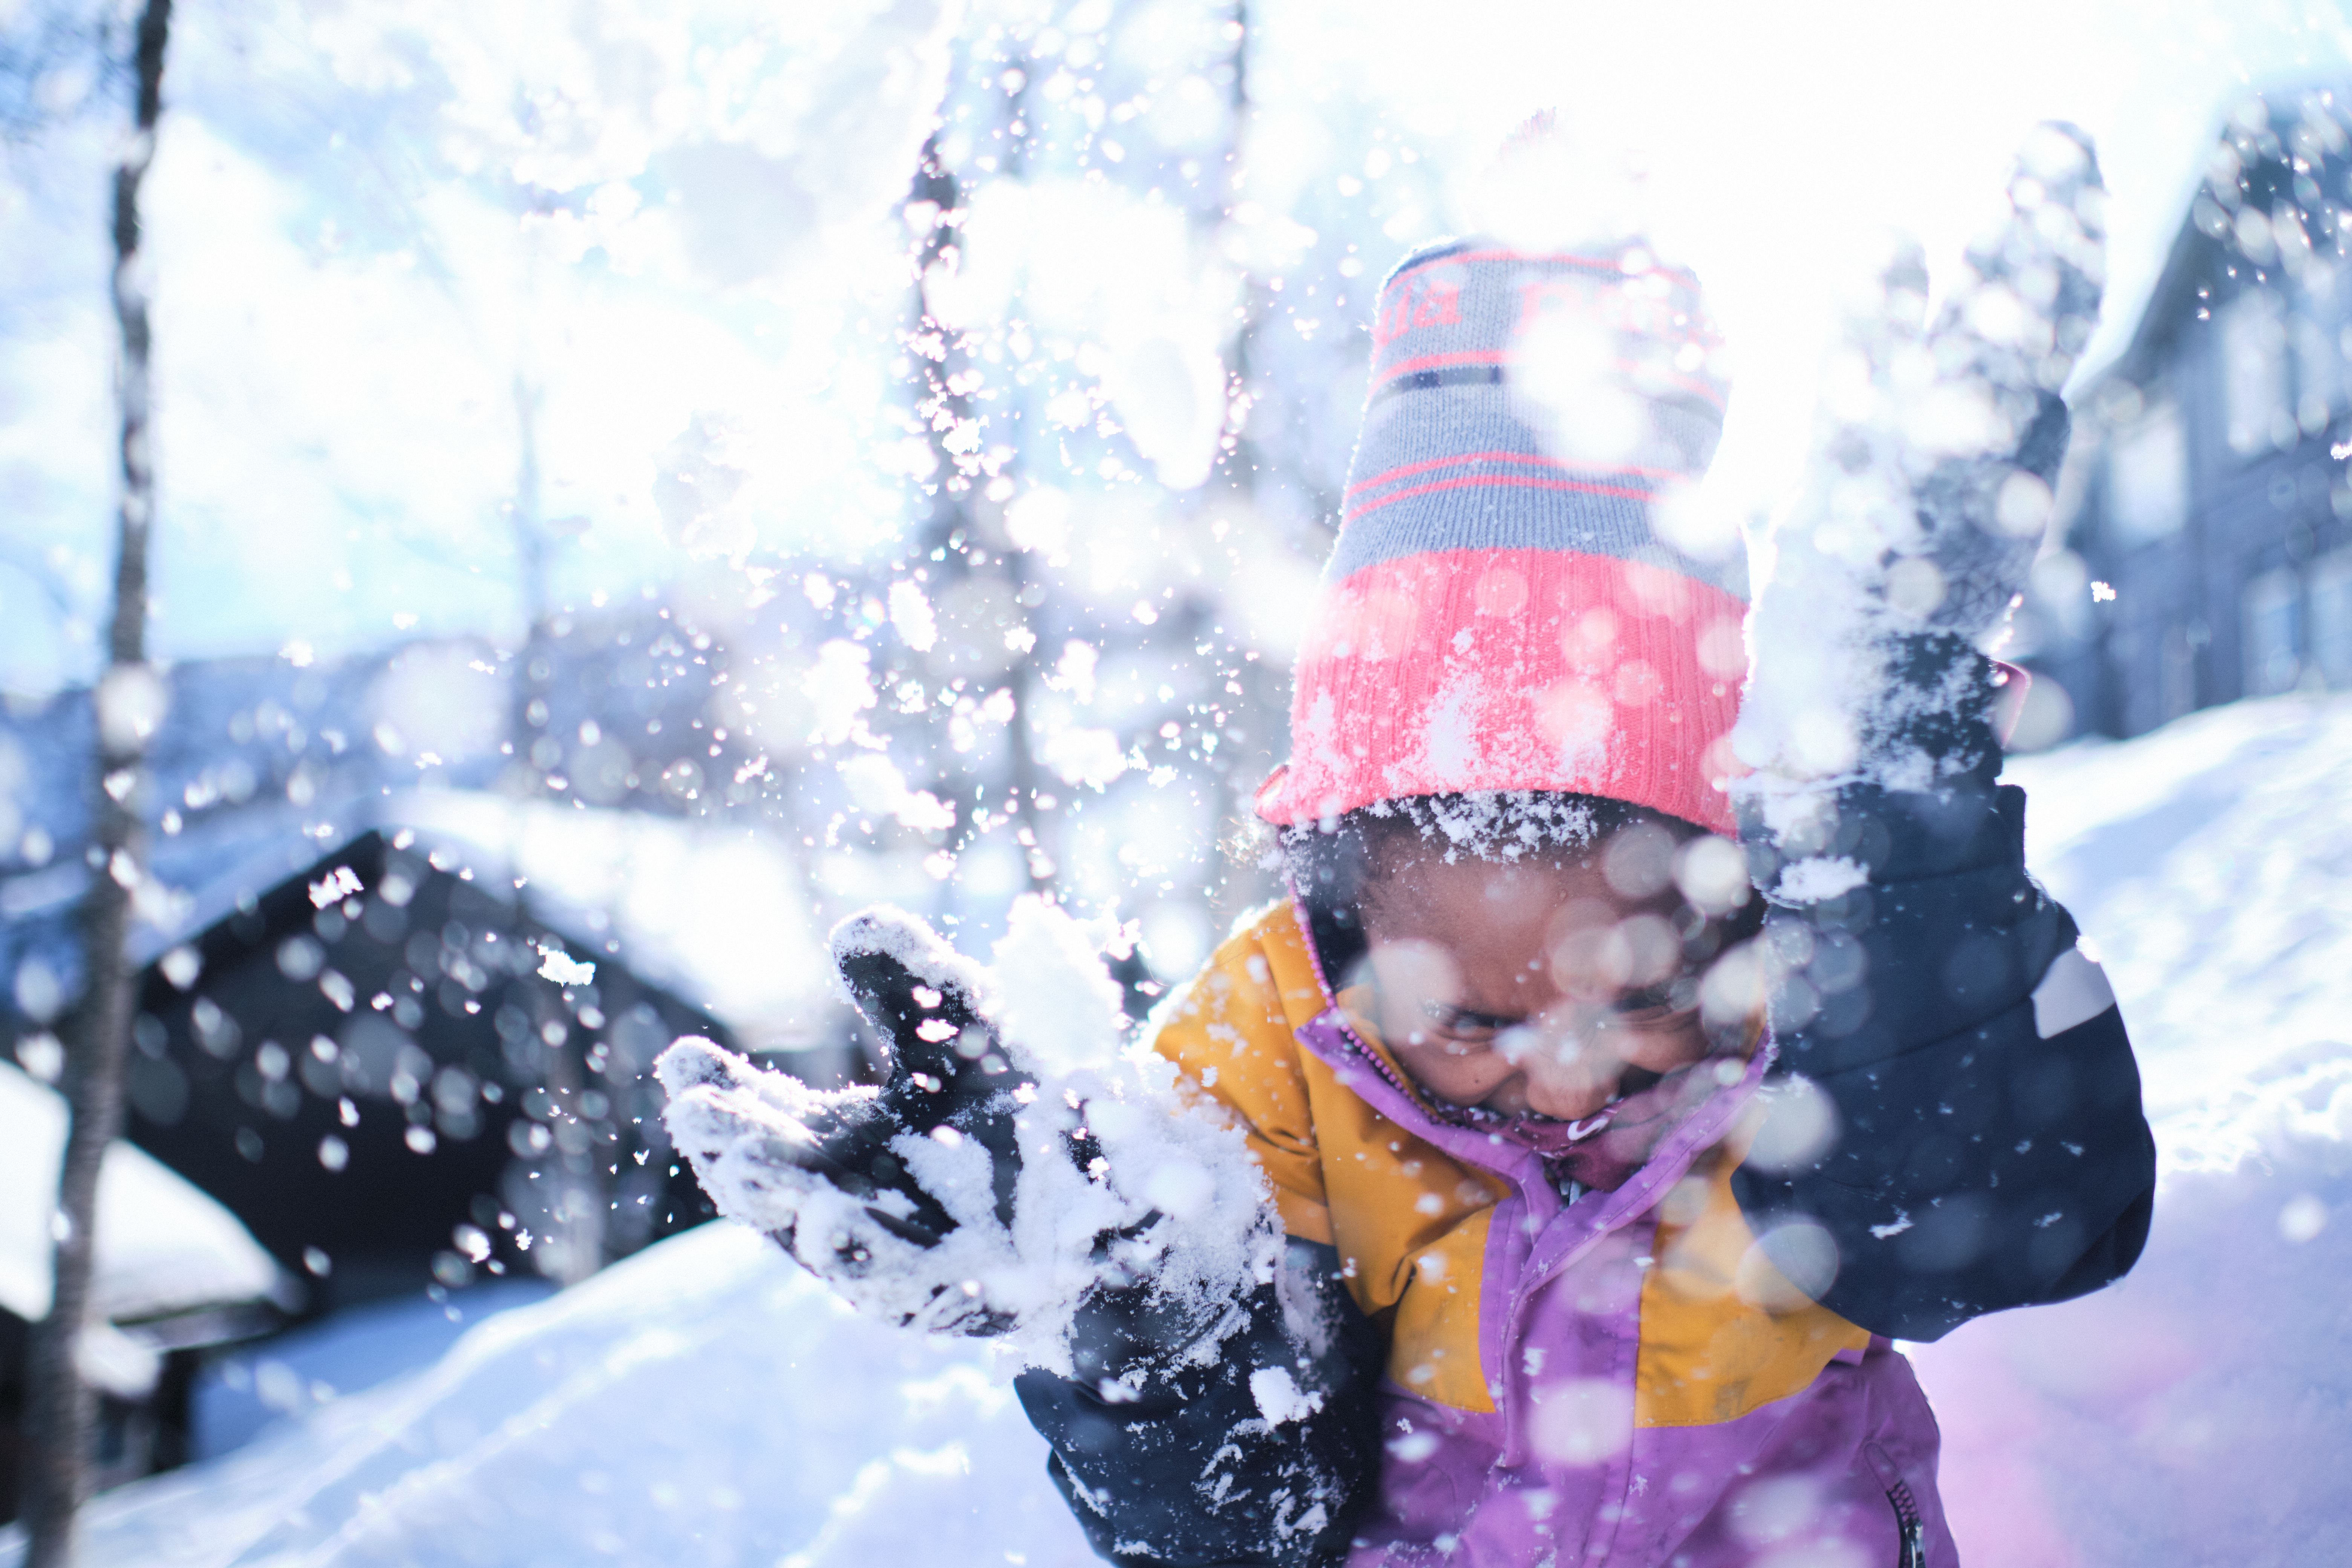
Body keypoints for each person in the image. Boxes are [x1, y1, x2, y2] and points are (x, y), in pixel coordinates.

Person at [662, 126, 2154, 1568]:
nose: (1562, 1074)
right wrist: (1134, 1307)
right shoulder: (1264, 1056)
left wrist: (1885, 828)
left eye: (1632, 990)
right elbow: (1252, 1525)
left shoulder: (1823, 976)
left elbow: (2012, 1228)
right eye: (1471, 1016)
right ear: (1343, 916)